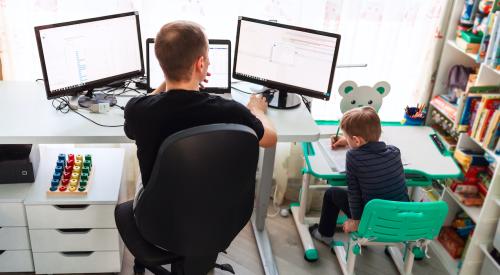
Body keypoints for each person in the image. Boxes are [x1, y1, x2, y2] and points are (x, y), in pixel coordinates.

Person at [124, 20, 277, 190]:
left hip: (158, 211)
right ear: (201, 64)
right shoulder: (231, 111)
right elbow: (270, 139)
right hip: (212, 205)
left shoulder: (137, 110)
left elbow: (131, 130)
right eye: (207, 58)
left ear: (161, 64)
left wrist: (169, 77)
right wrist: (257, 110)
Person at [309, 106, 409, 245]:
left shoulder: (353, 156)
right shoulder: (394, 151)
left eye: (348, 138)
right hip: (399, 218)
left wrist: (356, 222)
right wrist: (349, 141)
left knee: (332, 193)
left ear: (357, 140)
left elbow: (354, 193)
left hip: (371, 219)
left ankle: (324, 234)